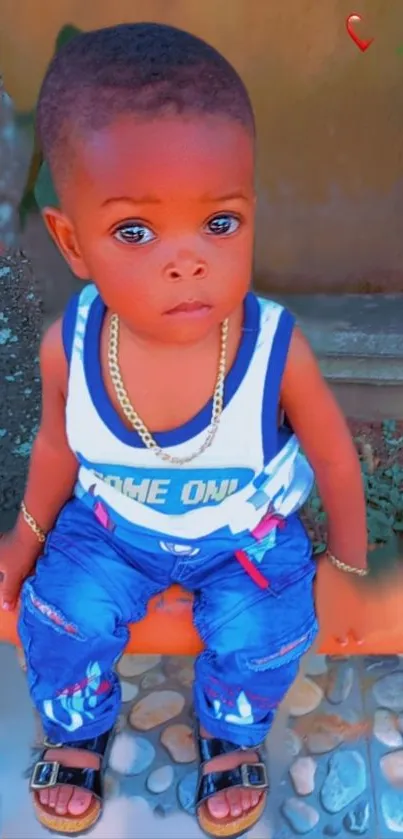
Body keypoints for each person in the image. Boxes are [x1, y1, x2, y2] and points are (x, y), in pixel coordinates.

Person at [0, 22, 368, 838]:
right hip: (113, 530)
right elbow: (61, 447)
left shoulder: (273, 347)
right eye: (136, 231)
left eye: (220, 223)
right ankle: (79, 723)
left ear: (250, 216)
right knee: (61, 612)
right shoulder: (72, 347)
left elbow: (333, 455)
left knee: (265, 627)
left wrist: (345, 561)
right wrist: (22, 543)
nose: (187, 259)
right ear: (74, 243)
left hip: (243, 537)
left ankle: (231, 733)